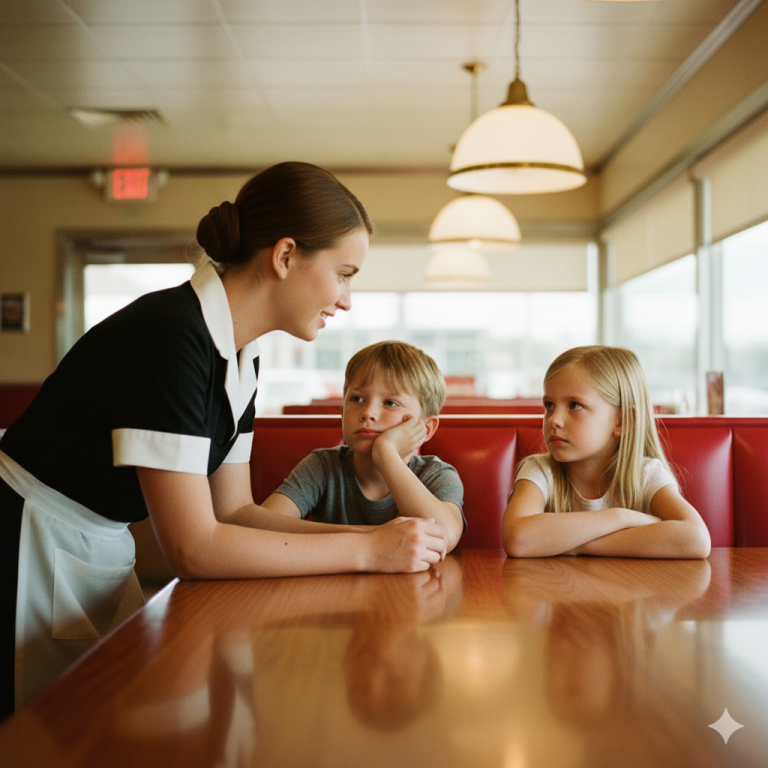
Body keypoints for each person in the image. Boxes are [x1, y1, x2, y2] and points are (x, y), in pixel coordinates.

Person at [0, 162, 447, 718]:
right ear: (285, 257)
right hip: (28, 536)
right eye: (344, 273)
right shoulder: (172, 336)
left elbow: (233, 511)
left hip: (96, 542)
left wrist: (375, 538)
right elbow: (192, 547)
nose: (347, 299)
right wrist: (365, 549)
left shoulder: (243, 353)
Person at [502, 345, 711, 559]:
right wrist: (622, 518)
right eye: (549, 405)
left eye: (574, 405)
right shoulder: (540, 470)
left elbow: (696, 539)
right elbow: (517, 538)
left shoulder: (646, 474)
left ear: (622, 421)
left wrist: (576, 545)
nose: (554, 419)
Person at [262, 341, 465, 552]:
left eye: (390, 403)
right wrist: (374, 537)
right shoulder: (323, 465)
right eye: (357, 398)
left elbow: (446, 537)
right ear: (342, 412)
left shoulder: (436, 474)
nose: (368, 412)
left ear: (426, 427)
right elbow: (263, 528)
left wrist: (386, 453)